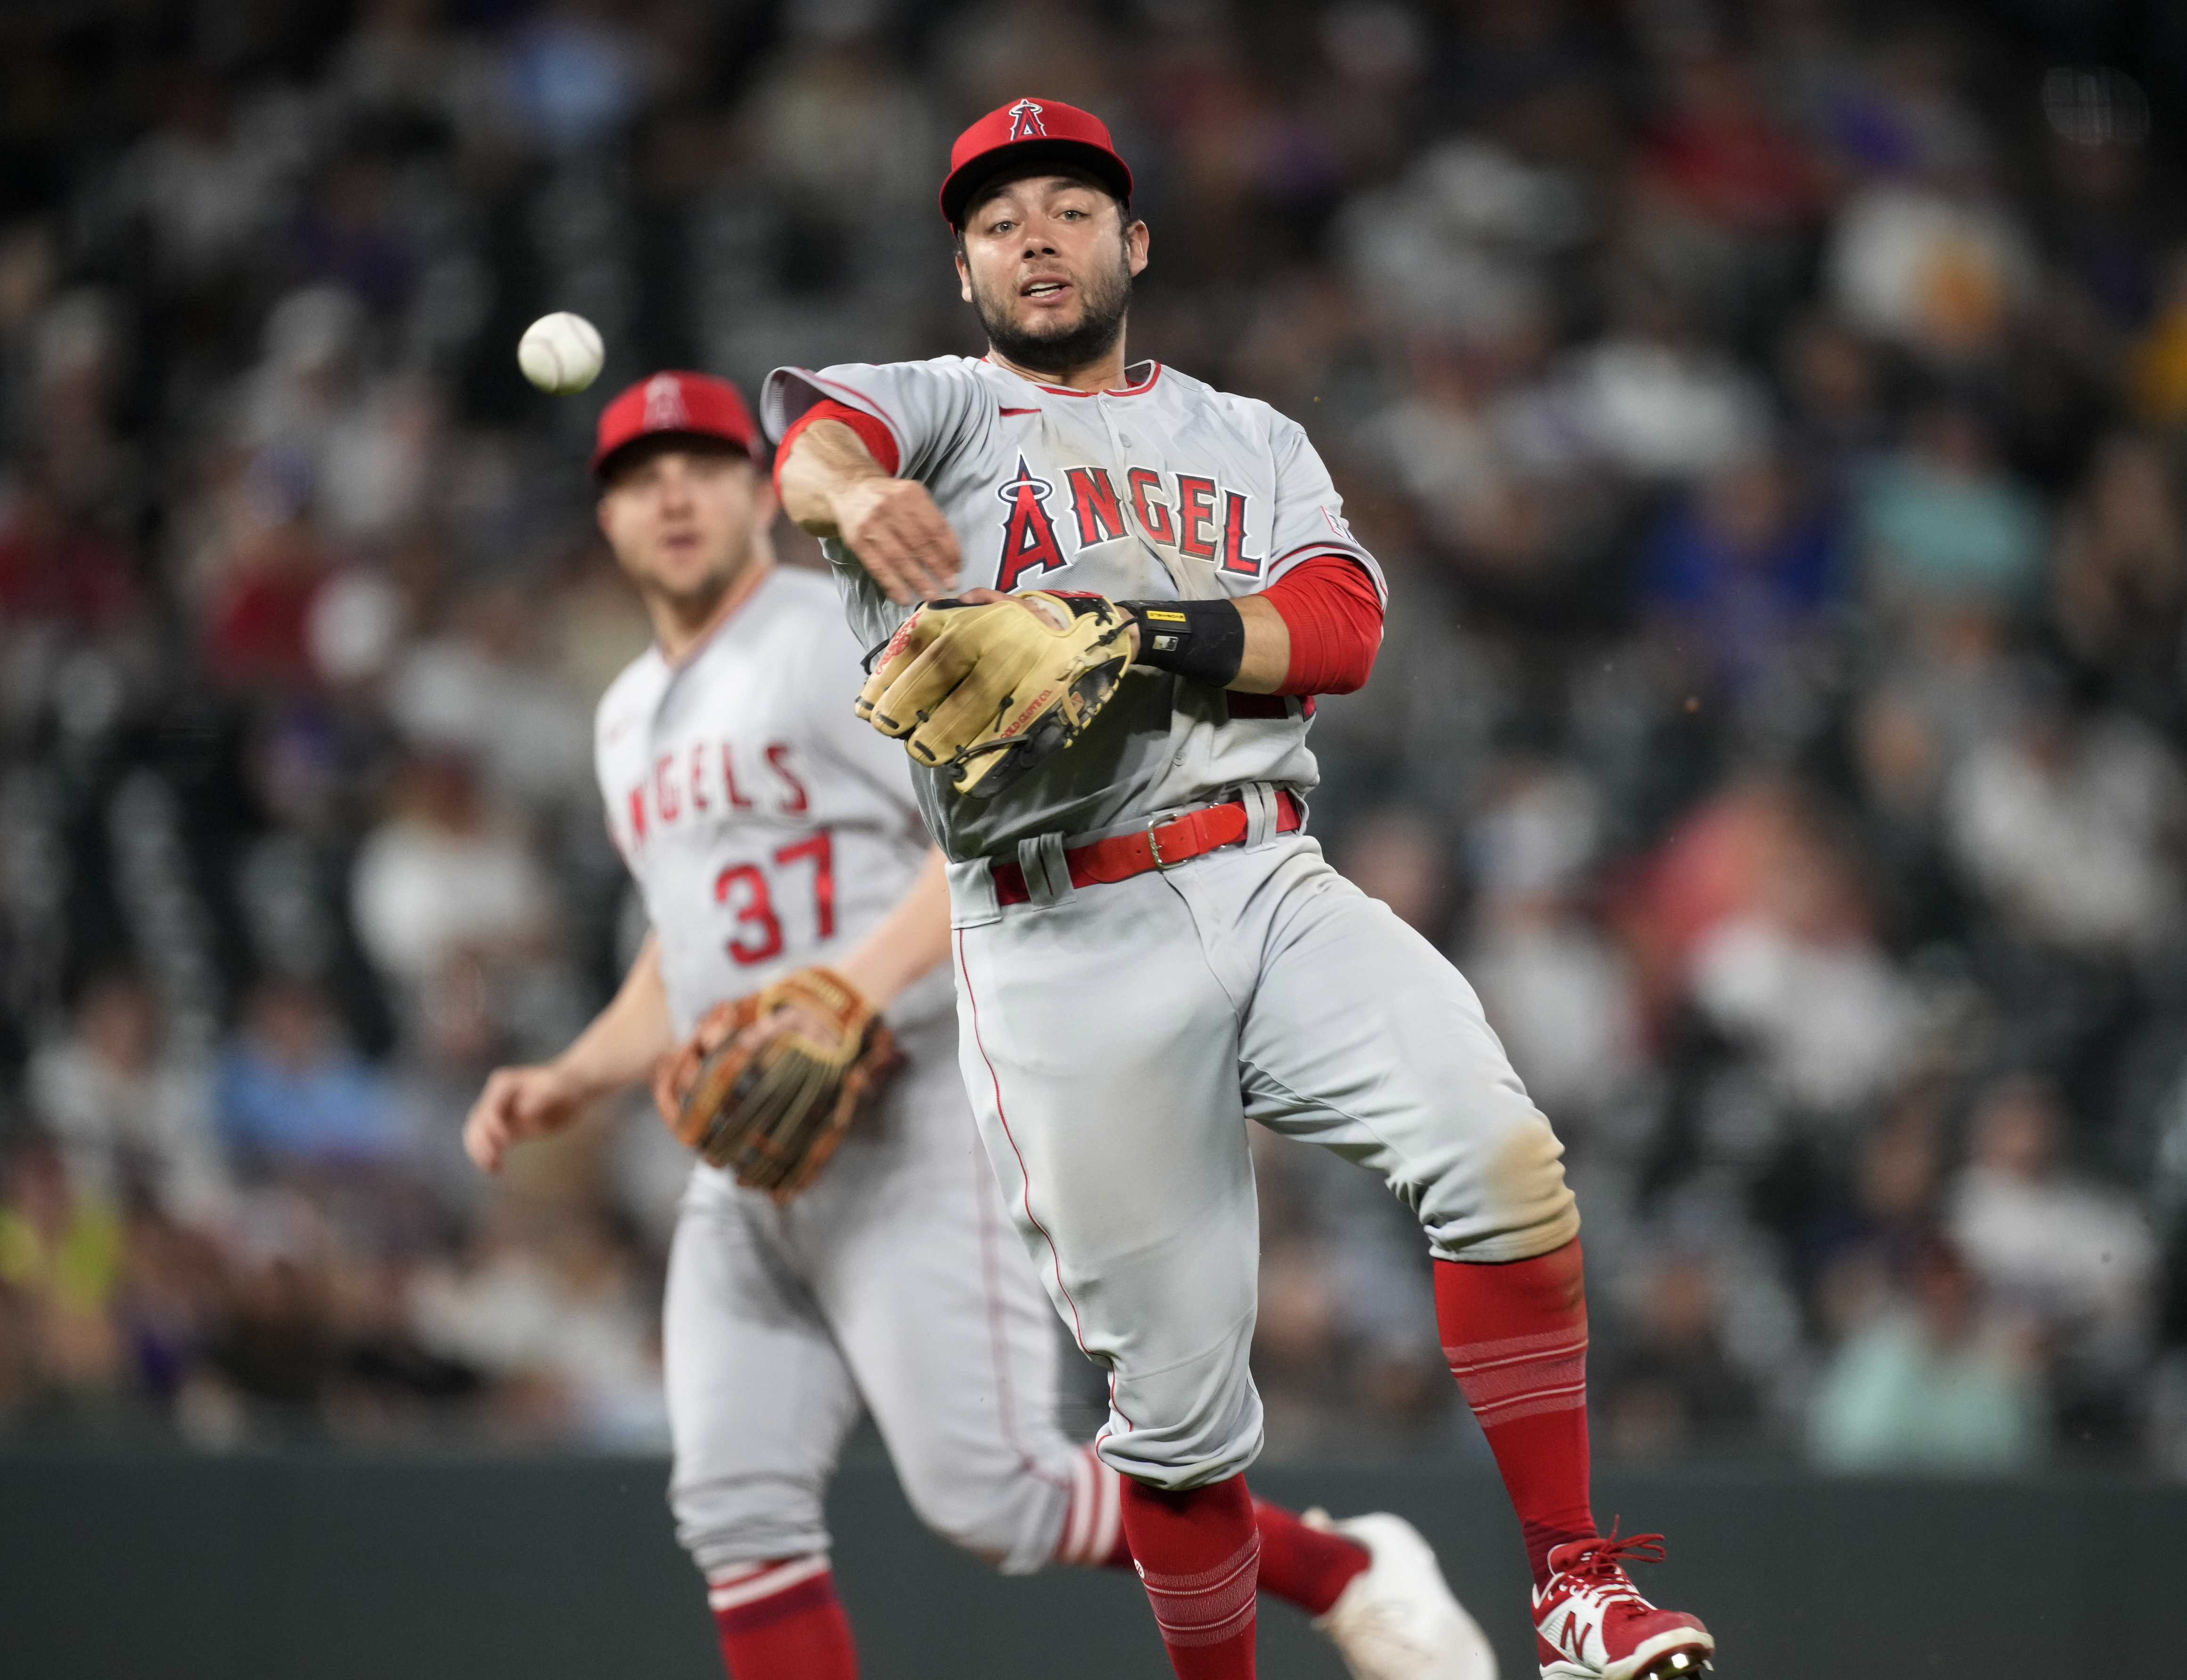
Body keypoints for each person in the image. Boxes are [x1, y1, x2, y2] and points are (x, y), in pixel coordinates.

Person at [766, 99, 1716, 1680]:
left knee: (1505, 1165)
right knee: (1184, 1430)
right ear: (962, 269)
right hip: (1059, 930)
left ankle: (1572, 1588)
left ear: (1134, 244)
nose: (1035, 239)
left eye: (1070, 209)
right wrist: (855, 502)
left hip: (1263, 869)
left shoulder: (1249, 435)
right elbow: (810, 444)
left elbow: (1339, 629)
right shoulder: (930, 411)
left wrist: (1134, 634)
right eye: (999, 222)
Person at [463, 371, 1495, 1680]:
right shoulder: (624, 716)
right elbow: (693, 939)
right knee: (732, 1506)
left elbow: (976, 846)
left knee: (994, 1494)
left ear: (758, 494)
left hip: (918, 1113)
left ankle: (1343, 1570)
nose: (673, 494)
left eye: (707, 465)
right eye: (637, 475)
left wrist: (844, 991)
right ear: (603, 517)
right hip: (754, 1154)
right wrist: (579, 1071)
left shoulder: (816, 639)